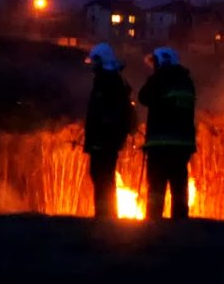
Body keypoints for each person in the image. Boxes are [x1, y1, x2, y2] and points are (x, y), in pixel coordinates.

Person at [137, 47, 197, 220]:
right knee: (179, 185)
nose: (153, 67)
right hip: (183, 144)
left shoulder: (160, 79)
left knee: (156, 186)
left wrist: (156, 77)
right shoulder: (187, 81)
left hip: (160, 143)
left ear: (161, 62)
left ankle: (154, 222)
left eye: (155, 63)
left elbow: (143, 97)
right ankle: (180, 223)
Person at [82, 43, 136, 219]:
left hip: (105, 139)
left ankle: (104, 215)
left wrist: (103, 133)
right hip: (103, 139)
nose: (92, 66)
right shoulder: (108, 80)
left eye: (94, 61)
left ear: (101, 60)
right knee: (102, 177)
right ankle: (105, 214)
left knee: (102, 177)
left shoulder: (108, 81)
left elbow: (107, 112)